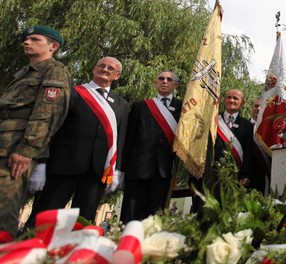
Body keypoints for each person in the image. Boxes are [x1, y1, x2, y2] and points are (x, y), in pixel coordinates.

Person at [28, 57, 129, 224]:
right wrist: (41, 162)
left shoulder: (121, 104)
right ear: (93, 69)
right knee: (45, 216)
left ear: (117, 76)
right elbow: (52, 128)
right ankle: (32, 248)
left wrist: (117, 170)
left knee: (84, 221)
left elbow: (121, 138)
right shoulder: (71, 92)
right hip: (63, 165)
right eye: (101, 66)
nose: (105, 69)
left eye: (110, 68)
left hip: (97, 171)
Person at [0, 26, 70, 234]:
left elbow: (47, 112)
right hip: (3, 143)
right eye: (26, 39)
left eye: (35, 39)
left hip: (16, 148)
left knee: (4, 209)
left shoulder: (54, 70)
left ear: (53, 46)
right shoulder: (22, 73)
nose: (27, 42)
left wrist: (27, 149)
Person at [120, 70, 182, 222]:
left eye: (169, 79)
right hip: (137, 168)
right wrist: (121, 169)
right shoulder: (140, 106)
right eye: (161, 78)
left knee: (154, 217)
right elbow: (128, 139)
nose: (164, 82)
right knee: (130, 213)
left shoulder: (183, 109)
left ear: (176, 85)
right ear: (155, 82)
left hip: (163, 171)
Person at [214, 89, 254, 187]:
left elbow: (248, 152)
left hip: (237, 177)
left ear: (242, 103)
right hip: (214, 175)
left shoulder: (247, 125)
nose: (231, 100)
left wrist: (246, 175)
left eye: (235, 98)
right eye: (229, 97)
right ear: (224, 100)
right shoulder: (213, 120)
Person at [249, 97, 271, 193]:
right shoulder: (243, 125)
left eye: (261, 106)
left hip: (264, 176)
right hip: (245, 175)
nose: (258, 108)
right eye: (256, 106)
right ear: (251, 108)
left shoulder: (270, 130)